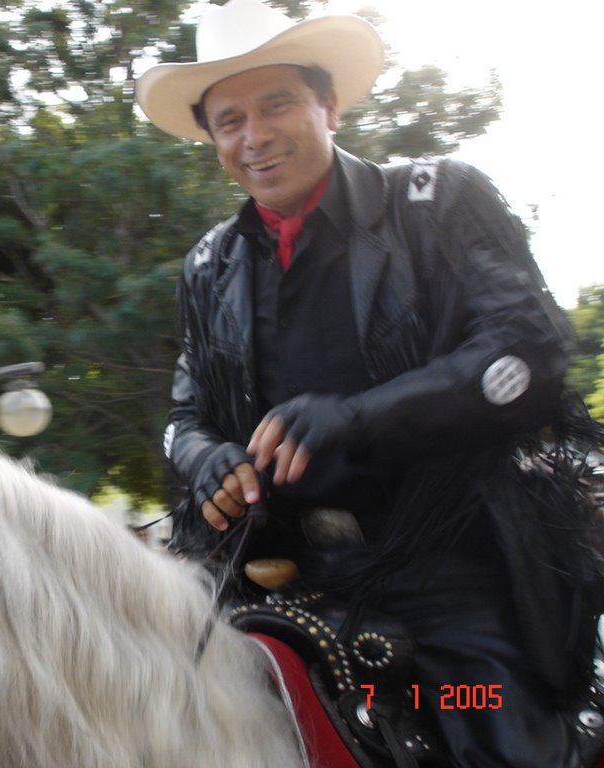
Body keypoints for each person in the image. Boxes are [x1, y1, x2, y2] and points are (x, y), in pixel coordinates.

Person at [135, 1, 604, 765]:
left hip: (449, 574)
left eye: (277, 104)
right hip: (282, 579)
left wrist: (359, 418)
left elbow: (530, 348)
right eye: (229, 120)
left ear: (329, 104)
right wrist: (207, 462)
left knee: (499, 736)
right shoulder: (207, 265)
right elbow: (184, 413)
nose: (253, 136)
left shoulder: (438, 201)